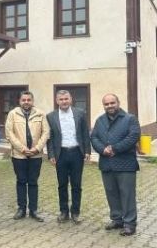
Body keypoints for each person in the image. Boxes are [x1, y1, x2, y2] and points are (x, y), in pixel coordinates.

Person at [91, 93, 141, 237]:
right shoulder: (100, 120)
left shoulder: (130, 119)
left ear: (118, 103)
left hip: (126, 164)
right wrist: (102, 149)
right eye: (106, 104)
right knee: (111, 193)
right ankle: (117, 219)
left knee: (127, 194)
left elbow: (133, 137)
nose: (110, 106)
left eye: (112, 103)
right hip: (106, 163)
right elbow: (94, 137)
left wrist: (114, 148)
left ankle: (130, 224)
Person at [46, 90, 91, 224]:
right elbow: (50, 138)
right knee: (62, 185)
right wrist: (51, 154)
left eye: (66, 99)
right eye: (61, 99)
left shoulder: (80, 113)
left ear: (71, 99)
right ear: (57, 101)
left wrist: (87, 151)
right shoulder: (51, 116)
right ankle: (64, 212)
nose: (64, 101)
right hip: (61, 154)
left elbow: (85, 133)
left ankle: (75, 212)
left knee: (76, 184)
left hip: (77, 152)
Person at [5, 90, 50, 222]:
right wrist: (22, 149)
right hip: (19, 155)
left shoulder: (40, 114)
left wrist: (37, 148)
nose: (26, 102)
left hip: (36, 155)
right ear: (19, 101)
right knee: (21, 181)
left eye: (28, 100)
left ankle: (33, 210)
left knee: (33, 182)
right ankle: (21, 209)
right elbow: (9, 133)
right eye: (23, 100)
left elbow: (46, 132)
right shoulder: (13, 114)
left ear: (32, 101)